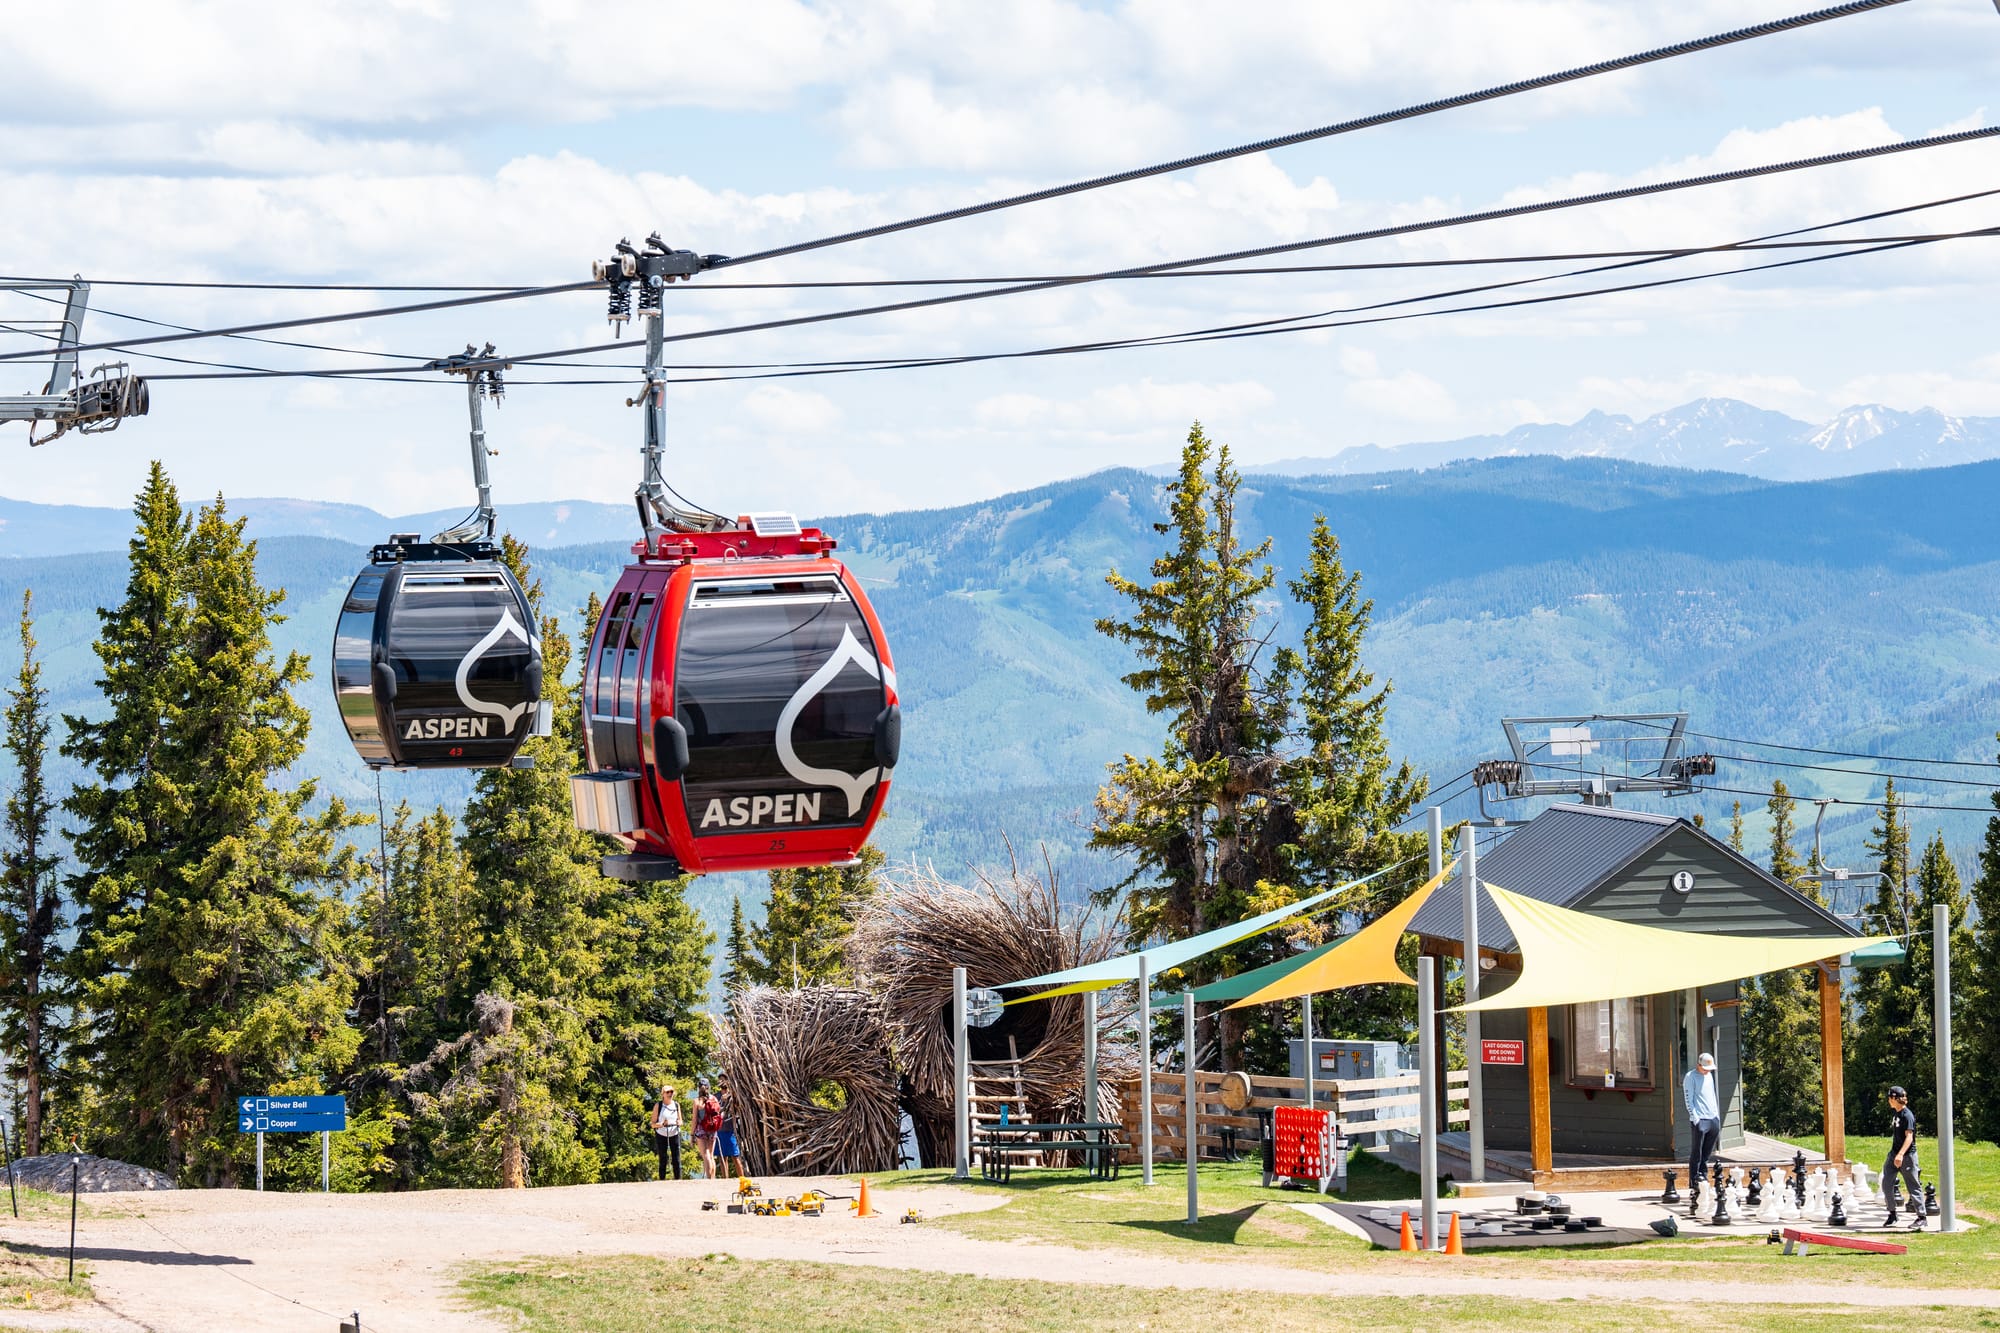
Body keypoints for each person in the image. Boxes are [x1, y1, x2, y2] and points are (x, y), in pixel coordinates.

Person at [1683, 1051, 1721, 1213]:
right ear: (1699, 1065)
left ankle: (1703, 1178)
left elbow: (1712, 1095)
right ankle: (1694, 1183)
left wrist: (1717, 1115)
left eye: (1709, 1069)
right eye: (1705, 1068)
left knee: (1707, 1153)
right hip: (1700, 1120)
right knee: (1696, 1153)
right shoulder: (1690, 1077)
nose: (1708, 1071)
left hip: (1713, 1118)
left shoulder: (1709, 1076)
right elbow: (1688, 1098)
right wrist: (1695, 1118)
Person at [1884, 1085, 1924, 1220]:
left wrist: (1900, 1154)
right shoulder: (1896, 1112)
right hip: (1893, 1154)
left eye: (1889, 1098)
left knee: (1913, 1186)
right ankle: (1892, 1214)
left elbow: (1909, 1137)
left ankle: (1922, 1217)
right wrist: (1895, 1154)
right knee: (1886, 1183)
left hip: (1907, 1156)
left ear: (1894, 1098)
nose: (1888, 1100)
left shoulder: (1908, 1115)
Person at [648, 1082, 683, 1181]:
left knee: (676, 1158)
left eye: (671, 1091)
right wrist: (662, 1124)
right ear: (663, 1094)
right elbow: (653, 1124)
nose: (670, 1094)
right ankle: (662, 1179)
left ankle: (678, 1179)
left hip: (674, 1133)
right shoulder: (658, 1106)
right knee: (663, 1158)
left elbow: (681, 1120)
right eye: (668, 1092)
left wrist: (678, 1123)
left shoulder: (676, 1105)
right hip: (661, 1134)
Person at [693, 1077, 722, 1179]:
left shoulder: (697, 1101)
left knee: (705, 1154)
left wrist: (692, 1134)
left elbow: (695, 1119)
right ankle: (712, 1177)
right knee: (711, 1154)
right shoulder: (714, 1099)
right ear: (708, 1087)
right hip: (713, 1129)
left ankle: (709, 1178)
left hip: (701, 1129)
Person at [714, 1078, 743, 1180]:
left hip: (730, 1129)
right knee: (722, 1157)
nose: (724, 1090)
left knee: (735, 1155)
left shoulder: (733, 1097)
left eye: (726, 1087)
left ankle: (741, 1178)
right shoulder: (716, 1097)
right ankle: (725, 1178)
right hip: (719, 1130)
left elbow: (739, 1108)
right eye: (722, 1087)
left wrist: (730, 1099)